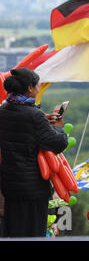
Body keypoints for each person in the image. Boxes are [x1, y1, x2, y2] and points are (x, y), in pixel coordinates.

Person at [0, 68, 68, 237]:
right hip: (33, 188)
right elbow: (57, 143)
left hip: (10, 184)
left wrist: (44, 120)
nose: (39, 89)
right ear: (30, 88)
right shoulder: (34, 116)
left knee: (13, 231)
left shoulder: (3, 111)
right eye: (37, 86)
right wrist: (59, 129)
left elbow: (22, 126)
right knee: (33, 233)